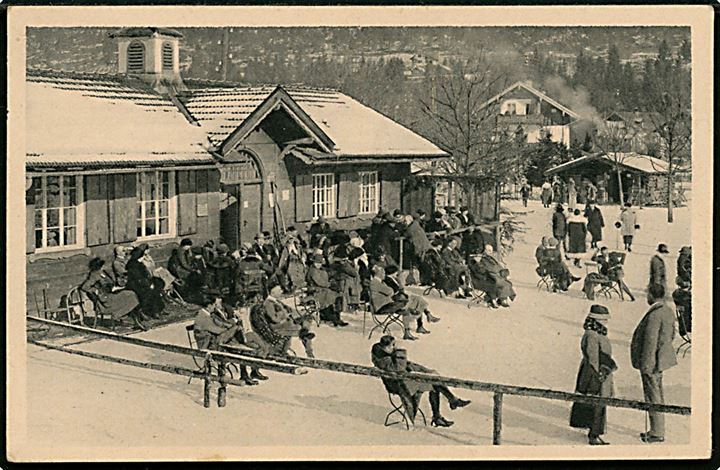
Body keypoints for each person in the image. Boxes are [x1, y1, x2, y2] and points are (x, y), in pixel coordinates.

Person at [371, 334, 471, 427]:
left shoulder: (386, 354)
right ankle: (446, 407)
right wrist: (399, 353)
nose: (394, 347)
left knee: (433, 380)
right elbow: (399, 369)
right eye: (393, 345)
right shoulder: (383, 358)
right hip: (398, 385)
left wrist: (427, 371)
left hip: (403, 380)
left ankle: (446, 408)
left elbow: (408, 365)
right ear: (386, 347)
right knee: (434, 384)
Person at [630, 283, 677, 443]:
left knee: (652, 396)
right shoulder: (668, 310)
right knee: (658, 394)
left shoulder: (654, 315)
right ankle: (658, 429)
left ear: (652, 295)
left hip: (650, 362)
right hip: (660, 361)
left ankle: (656, 432)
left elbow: (650, 341)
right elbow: (671, 335)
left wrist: (646, 365)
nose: (646, 296)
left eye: (647, 293)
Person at [193, 293, 267, 385]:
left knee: (244, 347)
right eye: (214, 305)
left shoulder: (207, 314)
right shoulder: (203, 317)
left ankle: (246, 374)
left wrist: (230, 326)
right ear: (209, 306)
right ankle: (245, 373)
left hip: (215, 341)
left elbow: (220, 324)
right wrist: (232, 328)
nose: (215, 307)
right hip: (210, 345)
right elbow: (217, 330)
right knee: (240, 339)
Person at [570, 305, 617, 445]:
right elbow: (593, 357)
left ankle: (594, 432)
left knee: (596, 403)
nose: (607, 322)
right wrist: (599, 375)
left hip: (597, 370)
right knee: (597, 403)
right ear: (598, 320)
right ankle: (594, 434)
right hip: (594, 373)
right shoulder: (592, 335)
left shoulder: (596, 333)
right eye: (604, 319)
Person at [81, 257, 147, 330]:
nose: (104, 266)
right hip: (105, 301)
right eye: (103, 265)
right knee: (131, 295)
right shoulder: (94, 275)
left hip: (110, 294)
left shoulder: (102, 273)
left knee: (130, 294)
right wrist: (97, 291)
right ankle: (128, 317)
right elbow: (84, 287)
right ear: (99, 266)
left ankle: (136, 319)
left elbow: (109, 284)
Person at [263, 284, 316, 358]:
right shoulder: (268, 303)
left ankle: (307, 344)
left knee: (306, 320)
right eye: (279, 290)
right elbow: (274, 318)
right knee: (302, 329)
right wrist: (286, 317)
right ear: (273, 292)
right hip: (278, 327)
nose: (281, 292)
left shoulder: (277, 301)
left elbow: (290, 310)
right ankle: (309, 350)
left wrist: (302, 313)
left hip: (286, 324)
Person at [369, 265, 421, 340]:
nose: (384, 275)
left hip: (385, 305)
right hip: (381, 308)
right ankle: (412, 310)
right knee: (405, 303)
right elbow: (390, 291)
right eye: (383, 273)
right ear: (379, 274)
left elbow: (390, 291)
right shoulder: (375, 282)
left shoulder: (378, 282)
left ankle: (407, 333)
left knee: (405, 310)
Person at [306, 254, 348, 327]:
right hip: (316, 291)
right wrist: (329, 284)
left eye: (320, 263)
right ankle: (332, 317)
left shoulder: (322, 270)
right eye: (317, 263)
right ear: (313, 262)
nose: (318, 264)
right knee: (330, 296)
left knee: (338, 295)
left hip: (323, 290)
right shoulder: (313, 271)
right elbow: (320, 282)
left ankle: (337, 317)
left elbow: (326, 278)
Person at [126, 244, 164, 318]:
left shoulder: (138, 263)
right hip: (136, 285)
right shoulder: (133, 265)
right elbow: (138, 278)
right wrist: (149, 284)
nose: (143, 258)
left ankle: (159, 309)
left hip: (143, 282)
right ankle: (154, 311)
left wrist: (151, 282)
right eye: (142, 256)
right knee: (152, 291)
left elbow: (145, 275)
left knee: (158, 284)